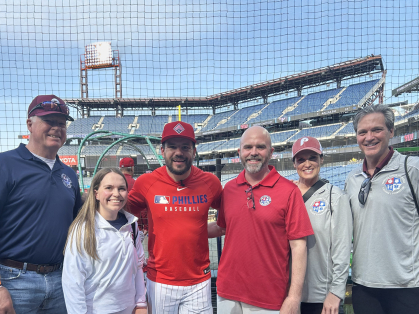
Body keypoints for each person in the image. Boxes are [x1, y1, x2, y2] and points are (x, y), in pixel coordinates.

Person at [208, 125, 314, 314]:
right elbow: (222, 227)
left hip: (268, 297)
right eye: (248, 147)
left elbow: (299, 246)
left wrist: (294, 297)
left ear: (271, 152)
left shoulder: (289, 191)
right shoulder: (230, 189)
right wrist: (186, 227)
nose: (253, 153)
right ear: (239, 152)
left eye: (260, 147)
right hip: (227, 291)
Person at [128, 121, 223, 314]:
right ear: (162, 150)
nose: (178, 152)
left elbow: (228, 220)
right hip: (160, 281)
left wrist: (196, 233)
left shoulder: (210, 182)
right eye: (172, 146)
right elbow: (121, 214)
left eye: (185, 147)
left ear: (194, 151)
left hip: (199, 281)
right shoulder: (146, 182)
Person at [0, 95, 82, 314]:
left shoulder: (69, 175)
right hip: (13, 279)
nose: (56, 128)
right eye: (49, 121)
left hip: (60, 280)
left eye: (61, 123)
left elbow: (76, 229)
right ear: (30, 124)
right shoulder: (5, 164)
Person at [345, 104, 419, 314]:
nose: (369, 137)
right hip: (364, 285)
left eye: (376, 129)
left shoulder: (412, 169)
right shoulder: (352, 179)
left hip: (406, 286)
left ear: (391, 131)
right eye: (362, 132)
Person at [62, 168, 147, 314]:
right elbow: (73, 281)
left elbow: (138, 267)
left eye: (122, 189)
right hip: (96, 309)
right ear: (96, 193)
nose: (116, 194)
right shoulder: (83, 229)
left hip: (129, 308)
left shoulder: (132, 225)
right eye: (109, 188)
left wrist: (141, 304)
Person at [291, 136, 352, 314]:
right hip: (288, 294)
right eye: (301, 159)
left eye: (312, 158)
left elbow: (342, 247)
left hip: (322, 297)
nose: (307, 164)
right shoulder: (286, 194)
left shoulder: (335, 196)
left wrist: (336, 292)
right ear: (294, 164)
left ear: (321, 160)